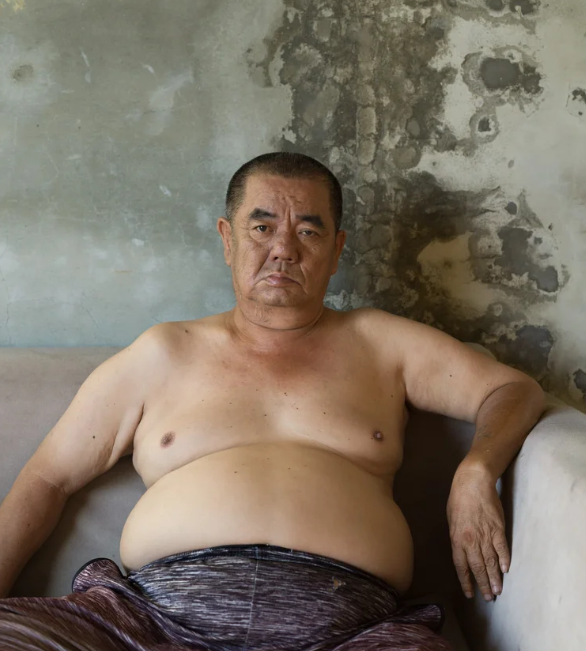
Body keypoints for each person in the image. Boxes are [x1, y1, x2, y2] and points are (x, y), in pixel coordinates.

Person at [0, 152, 545, 650]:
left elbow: (513, 390)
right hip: (147, 623)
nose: (284, 249)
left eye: (308, 231)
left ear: (337, 249)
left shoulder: (383, 344)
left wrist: (477, 471)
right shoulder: (161, 353)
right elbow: (47, 478)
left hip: (350, 630)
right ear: (227, 238)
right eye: (262, 227)